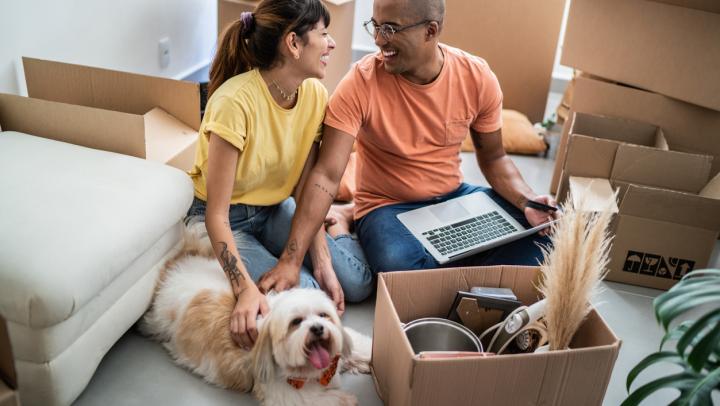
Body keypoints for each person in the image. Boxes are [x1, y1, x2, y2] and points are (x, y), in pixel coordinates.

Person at [258, 0, 559, 289]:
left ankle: (445, 281)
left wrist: (528, 200)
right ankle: (474, 277)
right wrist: (291, 260)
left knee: (545, 236)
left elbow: (494, 159)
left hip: (454, 199)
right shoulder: (360, 82)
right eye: (374, 26)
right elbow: (326, 175)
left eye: (389, 28)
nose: (378, 39)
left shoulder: (477, 76)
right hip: (386, 208)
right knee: (396, 264)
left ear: (430, 30)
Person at [184, 0, 374, 351]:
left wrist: (323, 260)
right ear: (293, 43)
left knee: (357, 283)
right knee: (308, 298)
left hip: (274, 206)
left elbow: (306, 190)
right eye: (323, 34)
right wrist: (243, 290)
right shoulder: (233, 103)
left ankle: (339, 223)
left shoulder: (315, 95)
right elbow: (216, 213)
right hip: (229, 220)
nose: (331, 43)